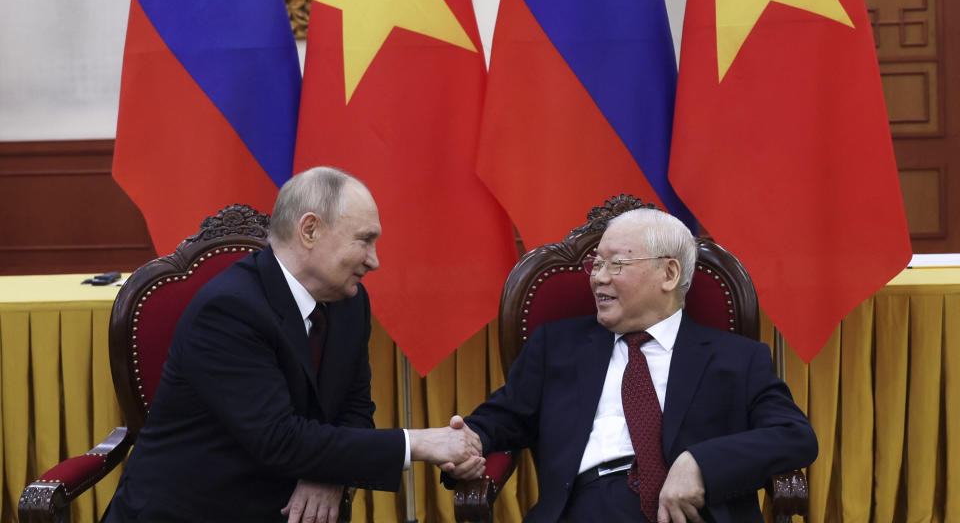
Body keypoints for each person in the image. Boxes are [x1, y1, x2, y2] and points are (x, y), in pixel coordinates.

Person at [105, 167, 484, 523]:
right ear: (310, 231)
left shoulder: (350, 302)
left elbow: (354, 410)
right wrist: (420, 442)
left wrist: (329, 475)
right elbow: (278, 438)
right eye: (364, 240)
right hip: (194, 509)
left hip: (292, 506)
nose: (375, 261)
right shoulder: (229, 309)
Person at [447, 208, 817, 523]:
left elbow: (795, 436)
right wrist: (467, 443)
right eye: (597, 263)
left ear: (669, 274)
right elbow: (502, 419)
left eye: (616, 264)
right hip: (584, 508)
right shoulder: (555, 347)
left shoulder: (736, 358)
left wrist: (701, 464)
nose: (597, 277)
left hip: (694, 511)